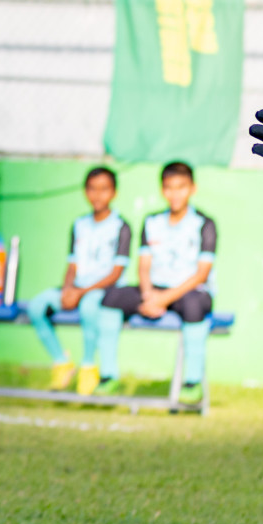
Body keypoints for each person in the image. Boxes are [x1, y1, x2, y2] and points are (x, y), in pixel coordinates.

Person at [95, 161, 216, 406]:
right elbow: (144, 265)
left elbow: (201, 274)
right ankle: (108, 376)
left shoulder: (205, 224)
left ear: (193, 188)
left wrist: (164, 299)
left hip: (189, 291)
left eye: (181, 187)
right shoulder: (152, 222)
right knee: (110, 298)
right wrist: (149, 294)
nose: (175, 194)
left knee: (194, 306)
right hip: (155, 290)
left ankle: (191, 383)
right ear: (162, 190)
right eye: (169, 187)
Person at [21, 167, 130, 395]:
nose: (97, 195)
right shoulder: (79, 224)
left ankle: (88, 366)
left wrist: (81, 293)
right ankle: (61, 362)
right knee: (36, 306)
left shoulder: (121, 227)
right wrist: (68, 289)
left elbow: (116, 272)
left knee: (90, 307)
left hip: (103, 290)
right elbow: (72, 264)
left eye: (104, 189)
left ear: (114, 193)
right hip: (78, 287)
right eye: (92, 189)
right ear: (85, 191)